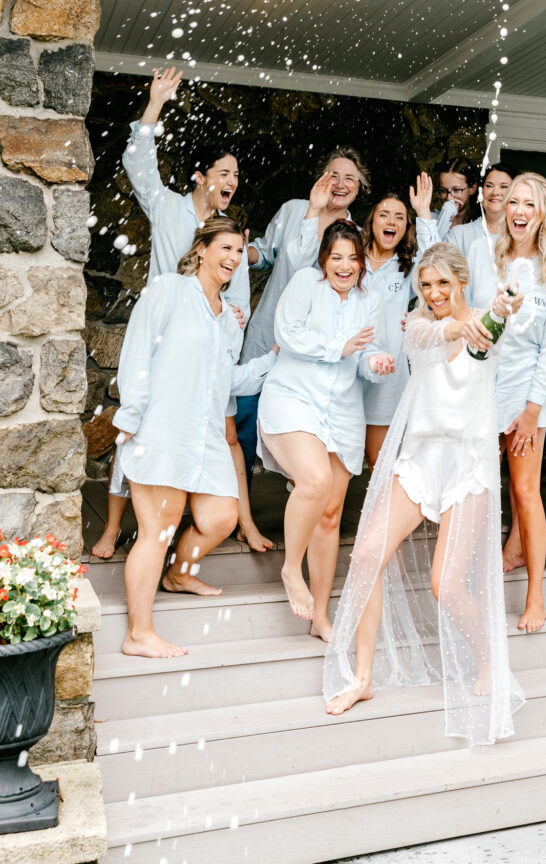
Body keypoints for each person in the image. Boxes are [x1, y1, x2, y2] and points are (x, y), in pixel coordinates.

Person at [323, 243, 526, 746]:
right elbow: (434, 333)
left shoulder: (486, 322)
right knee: (368, 554)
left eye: (442, 284)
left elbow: (485, 340)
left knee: (446, 585)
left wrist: (501, 309)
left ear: (460, 281)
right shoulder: (417, 325)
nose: (434, 294)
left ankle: (487, 659)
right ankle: (363, 678)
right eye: (426, 285)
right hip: (419, 461)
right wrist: (459, 324)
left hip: (467, 468)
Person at [91, 66, 273, 560]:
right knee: (137, 429)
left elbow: (235, 294)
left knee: (223, 434)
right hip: (163, 339)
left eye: (236, 175)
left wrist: (234, 323)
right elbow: (139, 166)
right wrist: (154, 106)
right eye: (223, 172)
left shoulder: (228, 235)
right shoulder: (168, 207)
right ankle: (112, 528)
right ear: (201, 176)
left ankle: (225, 522)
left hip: (210, 347)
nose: (231, 181)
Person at [112, 218, 278, 658]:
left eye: (239, 252)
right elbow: (138, 348)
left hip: (202, 436)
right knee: (158, 529)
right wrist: (131, 414)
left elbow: (226, 382)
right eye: (224, 248)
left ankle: (179, 574)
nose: (232, 258)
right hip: (163, 428)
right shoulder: (168, 290)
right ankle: (138, 633)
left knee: (223, 516)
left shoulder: (228, 318)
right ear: (202, 249)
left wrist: (273, 360)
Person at [257, 221, 394, 638]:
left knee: (331, 514)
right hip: (292, 397)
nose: (346, 265)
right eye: (337, 256)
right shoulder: (304, 283)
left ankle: (319, 617)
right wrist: (340, 347)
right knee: (313, 481)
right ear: (324, 258)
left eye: (353, 258)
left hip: (342, 410)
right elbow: (288, 335)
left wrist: (374, 363)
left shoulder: (368, 301)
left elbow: (364, 354)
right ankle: (290, 570)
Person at [466, 172, 546, 633]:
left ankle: (534, 597)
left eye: (528, 204)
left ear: (542, 212)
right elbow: (472, 325)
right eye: (512, 202)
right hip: (484, 381)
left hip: (530, 389)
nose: (519, 212)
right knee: (479, 486)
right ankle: (473, 582)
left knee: (526, 491)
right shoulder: (486, 256)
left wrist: (532, 411)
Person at [235, 148, 369, 488]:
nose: (340, 184)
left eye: (350, 178)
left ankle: (300, 505)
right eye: (333, 175)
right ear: (320, 178)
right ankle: (241, 511)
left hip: (314, 349)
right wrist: (240, 253)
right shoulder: (295, 209)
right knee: (245, 420)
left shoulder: (353, 232)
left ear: (360, 186)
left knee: (304, 427)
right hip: (270, 334)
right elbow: (270, 255)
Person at [361, 173, 440, 469]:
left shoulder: (405, 269)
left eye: (399, 217)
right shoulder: (349, 260)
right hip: (346, 373)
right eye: (384, 215)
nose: (391, 221)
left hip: (387, 378)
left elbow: (435, 264)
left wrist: (422, 212)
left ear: (407, 226)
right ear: (371, 221)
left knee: (379, 464)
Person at [433, 156, 479, 239]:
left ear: (472, 188)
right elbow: (431, 250)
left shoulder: (480, 224)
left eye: (456, 190)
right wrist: (445, 218)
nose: (449, 198)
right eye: (443, 190)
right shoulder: (432, 220)